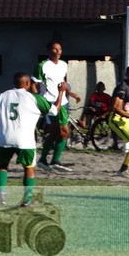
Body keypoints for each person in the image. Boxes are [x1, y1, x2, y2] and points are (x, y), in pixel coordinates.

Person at [0, 72, 65, 206]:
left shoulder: (3, 95)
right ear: (27, 83)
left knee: (2, 166)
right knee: (29, 168)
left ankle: (1, 194)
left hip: (4, 138)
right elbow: (55, 110)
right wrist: (61, 92)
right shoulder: (34, 97)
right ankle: (27, 199)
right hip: (24, 140)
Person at [32, 40, 73, 172]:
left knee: (58, 132)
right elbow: (34, 83)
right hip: (49, 101)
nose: (58, 51)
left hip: (63, 100)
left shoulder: (63, 65)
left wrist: (71, 93)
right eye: (55, 49)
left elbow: (63, 82)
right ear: (49, 50)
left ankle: (45, 160)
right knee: (64, 131)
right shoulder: (42, 65)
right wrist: (35, 98)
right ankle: (53, 160)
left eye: (59, 49)